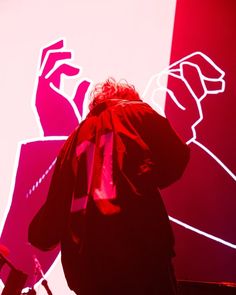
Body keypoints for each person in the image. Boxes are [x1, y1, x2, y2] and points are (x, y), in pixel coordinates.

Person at [28, 78, 190, 295]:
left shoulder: (70, 144)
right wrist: (144, 173)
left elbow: (50, 223)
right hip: (141, 255)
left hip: (89, 271)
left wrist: (37, 234)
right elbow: (176, 158)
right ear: (127, 96)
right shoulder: (136, 110)